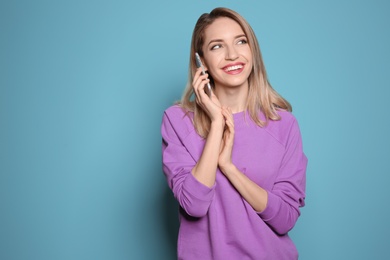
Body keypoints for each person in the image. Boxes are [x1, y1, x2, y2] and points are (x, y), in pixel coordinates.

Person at [161, 7, 307, 260]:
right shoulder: (177, 120)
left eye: (241, 42)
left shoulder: (283, 123)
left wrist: (228, 167)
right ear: (201, 61)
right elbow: (194, 206)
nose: (232, 55)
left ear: (253, 50)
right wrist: (217, 123)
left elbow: (285, 219)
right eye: (217, 46)